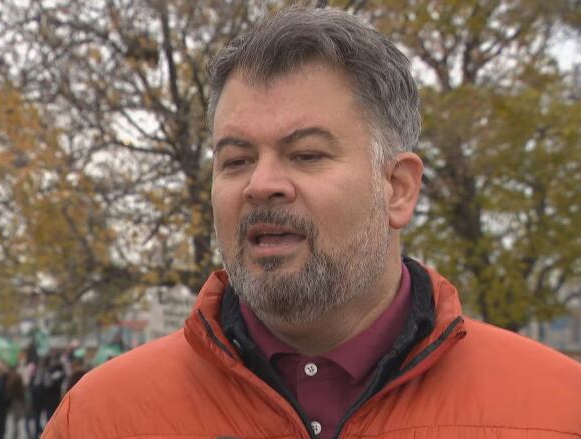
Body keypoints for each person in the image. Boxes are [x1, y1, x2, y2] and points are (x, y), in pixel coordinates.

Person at [40, 6, 581, 439]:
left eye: (306, 154)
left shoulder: (558, 409)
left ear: (398, 189)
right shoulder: (98, 417)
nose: (261, 184)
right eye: (235, 159)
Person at [5, 366, 25, 439]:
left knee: (15, 419)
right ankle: (15, 434)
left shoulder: (11, 379)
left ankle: (15, 434)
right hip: (17, 400)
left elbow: (9, 390)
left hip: (14, 400)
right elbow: (21, 390)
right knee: (15, 419)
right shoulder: (16, 377)